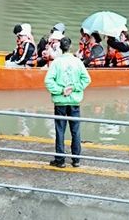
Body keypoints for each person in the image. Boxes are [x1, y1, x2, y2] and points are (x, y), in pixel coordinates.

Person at [44, 36, 91, 168]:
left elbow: (48, 81)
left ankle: (60, 159)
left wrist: (61, 90)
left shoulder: (56, 63)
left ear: (60, 48)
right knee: (75, 130)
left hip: (60, 102)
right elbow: (86, 79)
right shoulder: (77, 62)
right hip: (74, 102)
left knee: (60, 130)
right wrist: (74, 88)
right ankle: (76, 159)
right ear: (70, 47)